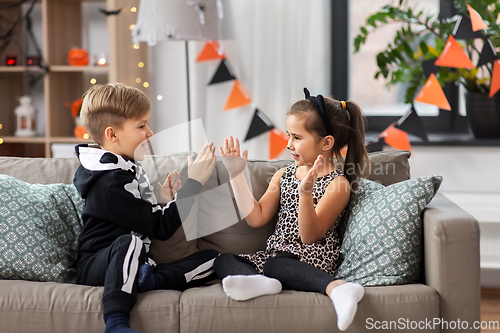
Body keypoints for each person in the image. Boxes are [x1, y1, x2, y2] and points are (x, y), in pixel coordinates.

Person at [214, 88, 369, 331]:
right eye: (288, 135)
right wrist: (236, 175)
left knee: (277, 265)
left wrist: (305, 194)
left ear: (327, 142)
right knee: (223, 260)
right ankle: (261, 282)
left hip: (311, 259)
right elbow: (257, 217)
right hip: (275, 256)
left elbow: (310, 236)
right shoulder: (284, 174)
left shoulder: (339, 184)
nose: (288, 144)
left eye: (297, 137)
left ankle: (337, 288)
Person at [73, 83, 219, 333]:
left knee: (215, 259)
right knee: (129, 242)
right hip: (99, 266)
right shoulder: (109, 183)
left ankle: (152, 280)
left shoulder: (124, 168)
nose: (150, 132)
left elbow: (136, 210)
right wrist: (194, 184)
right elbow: (160, 227)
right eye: (141, 126)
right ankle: (116, 323)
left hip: (137, 262)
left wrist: (162, 197)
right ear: (113, 134)